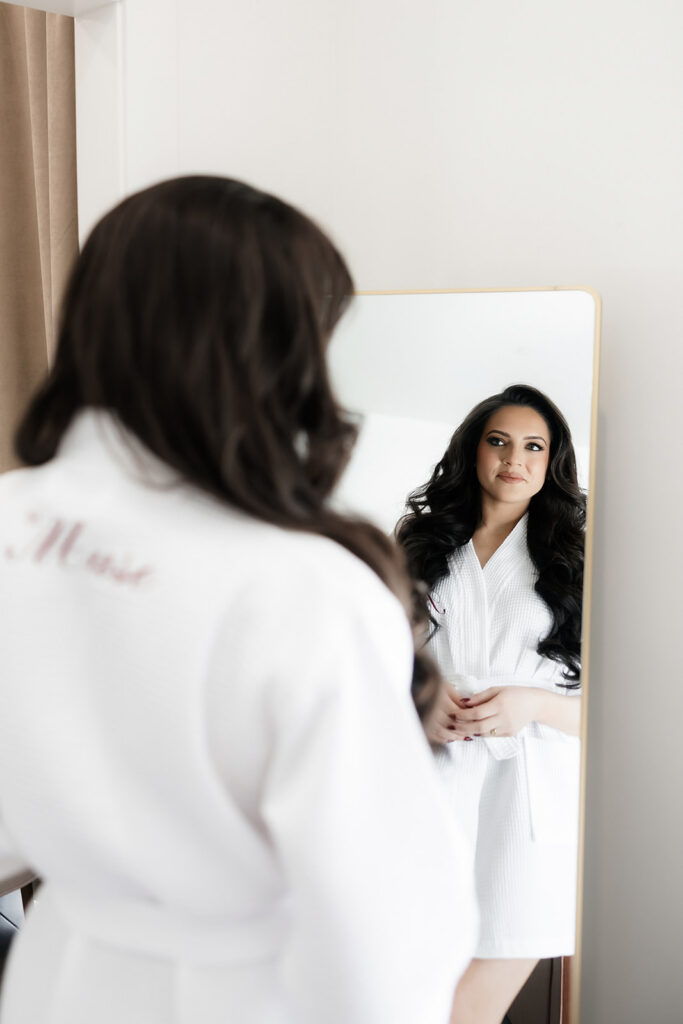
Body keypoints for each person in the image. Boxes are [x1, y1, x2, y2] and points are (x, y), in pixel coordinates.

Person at [0, 176, 478, 1024]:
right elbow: (382, 942)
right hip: (242, 996)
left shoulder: (11, 519)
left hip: (54, 982)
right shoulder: (301, 588)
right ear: (277, 353)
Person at [396, 384, 585, 1024]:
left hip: (531, 793)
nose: (514, 459)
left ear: (552, 462)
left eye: (534, 447)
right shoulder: (422, 546)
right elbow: (374, 665)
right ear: (473, 450)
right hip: (434, 777)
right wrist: (423, 698)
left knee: (472, 1005)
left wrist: (531, 705)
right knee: (412, 987)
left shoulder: (576, 559)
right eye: (498, 441)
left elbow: (613, 713)